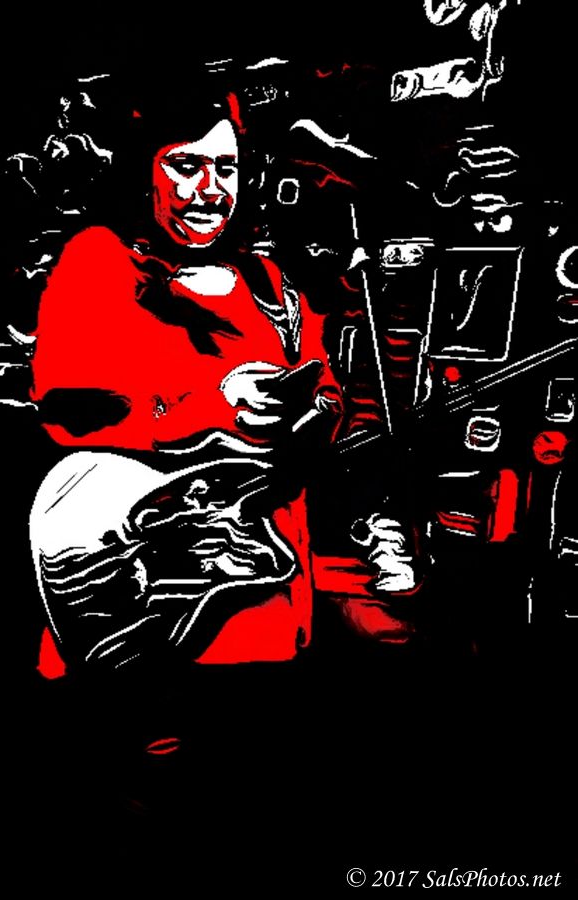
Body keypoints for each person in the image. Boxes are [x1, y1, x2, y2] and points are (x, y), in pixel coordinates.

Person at [27, 81, 419, 820]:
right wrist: (215, 405)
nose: (210, 189)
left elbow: (326, 391)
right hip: (142, 613)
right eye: (186, 166)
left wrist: (312, 412)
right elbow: (69, 405)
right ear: (144, 170)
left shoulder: (269, 282)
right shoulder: (99, 261)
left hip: (267, 615)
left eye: (227, 168)